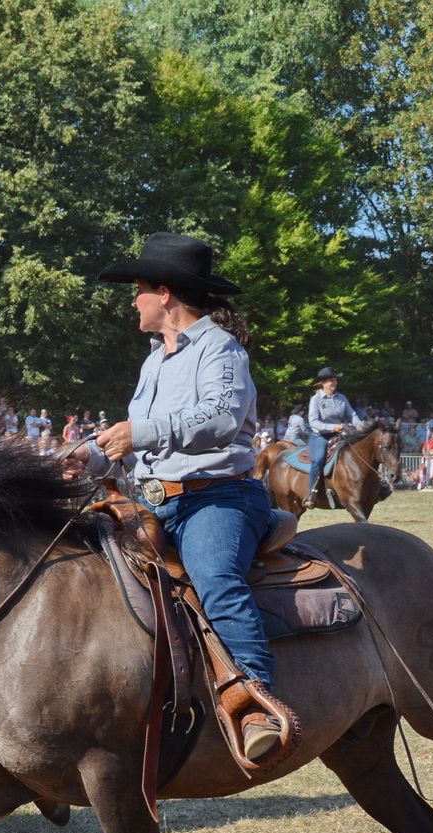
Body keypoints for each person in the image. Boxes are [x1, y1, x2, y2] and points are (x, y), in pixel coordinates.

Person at [66, 231, 293, 765]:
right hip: (149, 502)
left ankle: (255, 704)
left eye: (139, 290)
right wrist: (92, 460)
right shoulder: (153, 362)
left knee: (216, 580)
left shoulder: (222, 349)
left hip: (218, 500)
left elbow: (219, 420)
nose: (132, 300)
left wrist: (138, 433)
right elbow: (135, 449)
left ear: (164, 294)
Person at [306, 368, 357, 503]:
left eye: (335, 380)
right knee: (318, 459)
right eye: (330, 381)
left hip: (339, 433)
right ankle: (312, 492)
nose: (334, 383)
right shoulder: (316, 399)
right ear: (323, 383)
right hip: (320, 436)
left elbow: (351, 414)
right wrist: (332, 427)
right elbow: (313, 422)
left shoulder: (342, 398)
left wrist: (359, 424)